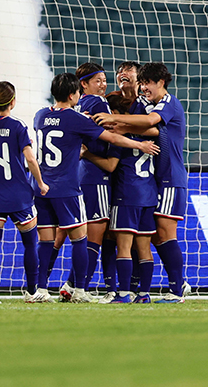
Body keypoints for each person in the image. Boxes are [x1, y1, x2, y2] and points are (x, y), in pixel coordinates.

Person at [29, 73, 160, 303]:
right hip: (68, 188)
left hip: (41, 188)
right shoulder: (75, 118)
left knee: (46, 241)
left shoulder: (40, 116)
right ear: (72, 94)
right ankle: (79, 290)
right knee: (81, 239)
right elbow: (112, 138)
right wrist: (139, 144)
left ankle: (40, 290)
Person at [93, 62, 188, 303]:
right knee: (153, 237)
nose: (145, 88)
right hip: (157, 180)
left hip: (170, 178)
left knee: (165, 235)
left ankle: (177, 289)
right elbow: (148, 128)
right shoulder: (151, 104)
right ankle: (162, 286)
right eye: (142, 83)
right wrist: (120, 125)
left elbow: (151, 124)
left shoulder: (167, 103)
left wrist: (114, 121)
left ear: (161, 83)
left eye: (148, 83)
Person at [83, 92, 160, 303]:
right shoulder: (149, 133)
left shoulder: (120, 137)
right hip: (149, 194)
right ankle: (144, 294)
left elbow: (110, 165)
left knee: (123, 247)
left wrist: (87, 153)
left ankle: (123, 293)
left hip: (126, 195)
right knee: (144, 248)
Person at [0, 81, 49, 304]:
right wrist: (41, 183)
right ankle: (31, 292)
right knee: (30, 243)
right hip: (19, 196)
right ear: (13, 101)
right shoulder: (18, 126)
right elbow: (30, 158)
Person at [58, 63, 116, 302]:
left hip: (80, 175)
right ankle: (75, 287)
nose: (103, 84)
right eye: (98, 80)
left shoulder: (77, 107)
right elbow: (113, 128)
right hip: (97, 176)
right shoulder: (99, 104)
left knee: (85, 233)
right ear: (84, 84)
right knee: (95, 235)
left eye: (104, 79)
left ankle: (72, 285)